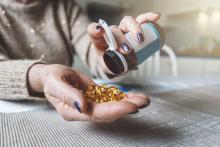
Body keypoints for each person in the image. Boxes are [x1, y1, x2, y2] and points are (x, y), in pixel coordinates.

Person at [0, 0, 160, 122]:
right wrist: (42, 76)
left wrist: (112, 53)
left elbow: (91, 49)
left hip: (69, 106)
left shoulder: (67, 7)